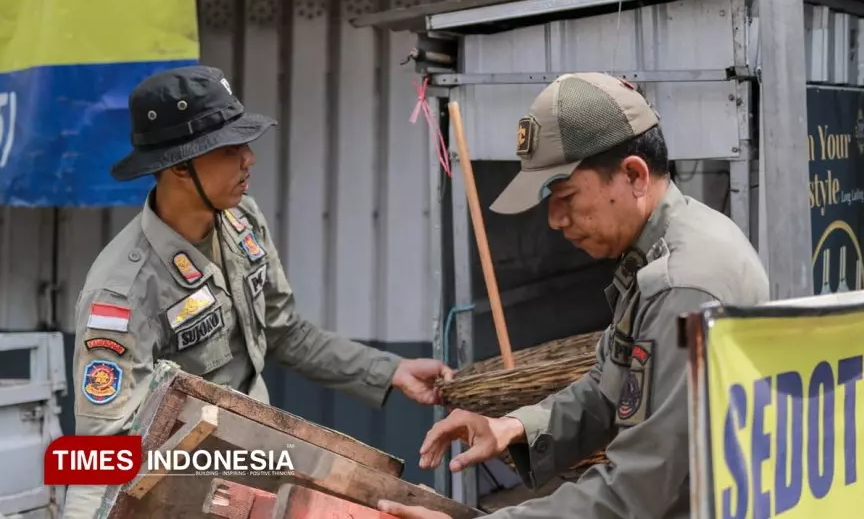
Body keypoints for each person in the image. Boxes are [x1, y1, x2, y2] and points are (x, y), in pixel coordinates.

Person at [63, 65, 453, 518]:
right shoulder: (122, 292)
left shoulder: (240, 219)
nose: (249, 158)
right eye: (229, 149)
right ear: (179, 166)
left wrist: (391, 370)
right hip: (177, 495)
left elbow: (284, 332)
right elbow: (99, 453)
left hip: (256, 467)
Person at [377, 72, 770, 519]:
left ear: (634, 175)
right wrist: (513, 427)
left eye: (563, 194)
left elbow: (639, 491)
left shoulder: (684, 284)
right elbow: (610, 388)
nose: (555, 220)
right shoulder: (655, 250)